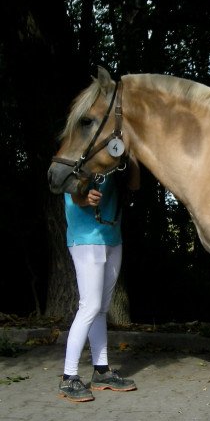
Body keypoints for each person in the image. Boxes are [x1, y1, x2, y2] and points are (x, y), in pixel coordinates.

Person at [58, 160, 140, 402]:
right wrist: (86, 199)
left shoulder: (112, 160)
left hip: (112, 238)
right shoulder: (75, 155)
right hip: (85, 238)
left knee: (101, 309)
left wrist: (133, 154)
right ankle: (68, 377)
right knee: (90, 307)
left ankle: (101, 371)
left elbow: (134, 185)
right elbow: (75, 197)